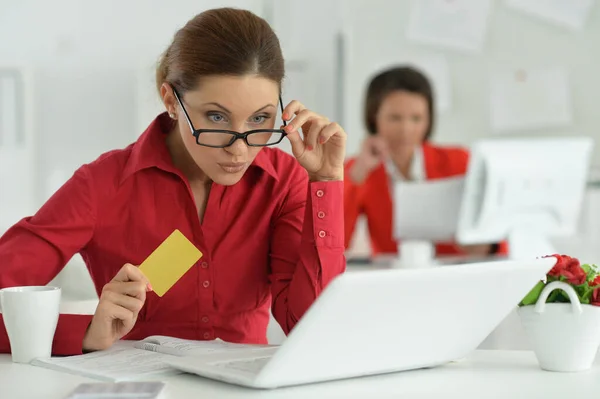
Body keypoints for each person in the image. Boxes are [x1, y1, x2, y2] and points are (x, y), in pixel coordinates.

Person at [0, 8, 347, 355]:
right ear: (171, 101)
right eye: (216, 117)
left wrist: (326, 180)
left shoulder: (284, 183)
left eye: (260, 118)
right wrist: (87, 331)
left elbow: (314, 327)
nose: (239, 150)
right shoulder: (102, 185)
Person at [344, 66, 507, 258]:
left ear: (429, 119)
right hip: (394, 278)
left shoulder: (459, 161)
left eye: (416, 118)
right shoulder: (357, 171)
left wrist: (484, 247)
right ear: (374, 117)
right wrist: (357, 174)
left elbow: (498, 238)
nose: (406, 130)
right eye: (395, 118)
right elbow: (333, 242)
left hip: (457, 274)